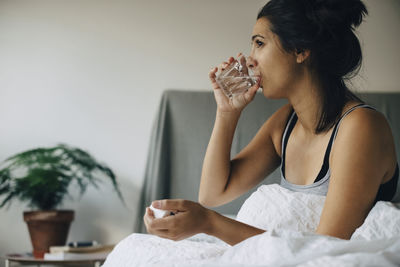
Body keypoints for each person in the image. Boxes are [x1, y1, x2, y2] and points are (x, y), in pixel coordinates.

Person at [143, 0, 399, 246]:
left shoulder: (361, 127)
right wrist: (227, 112)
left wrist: (211, 223)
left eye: (259, 43)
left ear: (300, 50)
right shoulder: (286, 122)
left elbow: (326, 248)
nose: (250, 59)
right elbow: (213, 193)